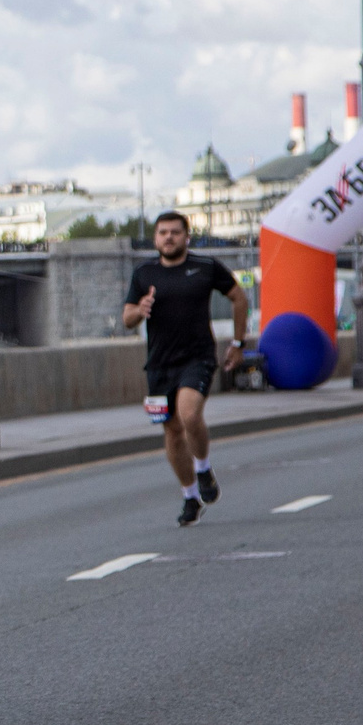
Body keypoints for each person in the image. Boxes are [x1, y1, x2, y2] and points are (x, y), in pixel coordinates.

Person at [124, 211, 248, 528]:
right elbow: (127, 318)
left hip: (198, 357)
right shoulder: (144, 273)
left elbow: (238, 297)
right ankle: (190, 495)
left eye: (175, 232)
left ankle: (203, 467)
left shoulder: (205, 268)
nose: (168, 237)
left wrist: (237, 342)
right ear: (155, 239)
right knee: (173, 432)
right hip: (159, 363)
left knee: (190, 414)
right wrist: (140, 310)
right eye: (162, 232)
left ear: (186, 236)